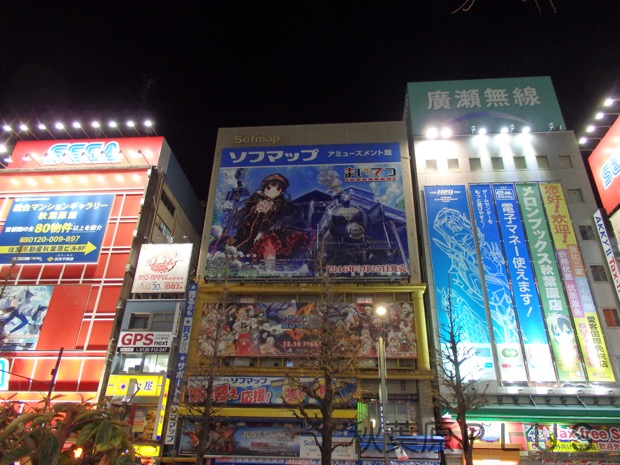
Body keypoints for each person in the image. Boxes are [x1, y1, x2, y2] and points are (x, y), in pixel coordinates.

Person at [219, 173, 313, 271]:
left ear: (281, 192)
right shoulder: (254, 204)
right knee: (224, 245)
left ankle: (270, 271)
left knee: (268, 243)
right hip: (245, 239)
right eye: (269, 188)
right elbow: (246, 224)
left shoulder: (280, 207)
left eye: (278, 189)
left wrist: (264, 233)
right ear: (264, 188)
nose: (272, 191)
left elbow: (281, 222)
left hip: (263, 240)